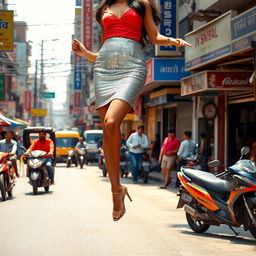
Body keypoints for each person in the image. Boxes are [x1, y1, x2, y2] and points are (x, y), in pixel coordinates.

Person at [72, 0, 192, 221]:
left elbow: (154, 36)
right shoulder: (102, 10)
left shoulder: (141, 4)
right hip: (103, 70)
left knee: (110, 123)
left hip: (132, 67)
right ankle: (116, 191)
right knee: (108, 132)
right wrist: (86, 53)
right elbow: (103, 48)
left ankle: (117, 190)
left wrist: (172, 40)